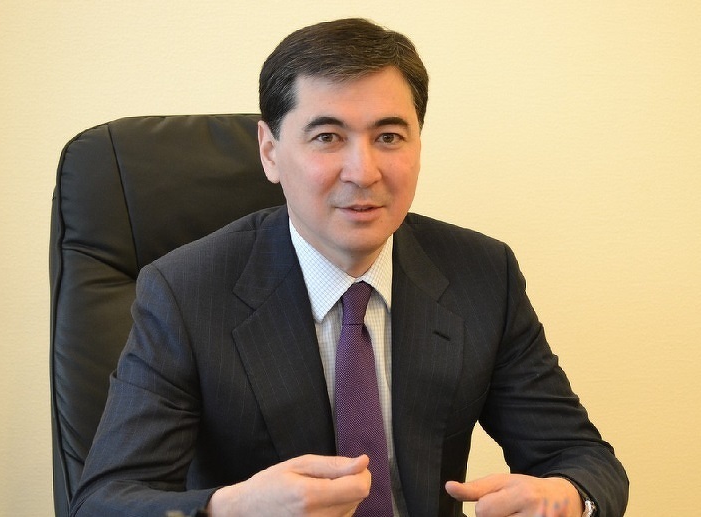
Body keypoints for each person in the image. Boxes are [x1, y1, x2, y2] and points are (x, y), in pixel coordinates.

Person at [70, 18, 628, 517]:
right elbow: (103, 502)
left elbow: (582, 458)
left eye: (388, 137)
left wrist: (568, 497)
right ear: (270, 151)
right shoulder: (185, 291)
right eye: (328, 137)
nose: (363, 171)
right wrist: (230, 509)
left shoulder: (482, 273)